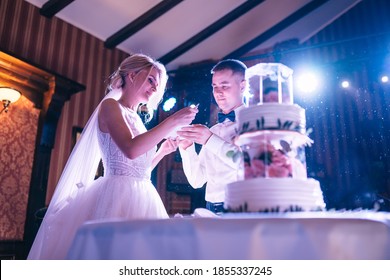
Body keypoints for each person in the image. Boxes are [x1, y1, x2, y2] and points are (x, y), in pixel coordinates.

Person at [28, 54, 198, 259]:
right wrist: (172, 121)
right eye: (151, 79)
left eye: (157, 84)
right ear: (132, 75)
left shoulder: (136, 117)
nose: (154, 88)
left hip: (144, 194)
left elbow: (137, 169)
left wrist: (162, 152)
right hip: (116, 195)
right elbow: (130, 148)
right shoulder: (111, 106)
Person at [177, 59, 247, 213]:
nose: (218, 92)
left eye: (224, 86)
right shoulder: (213, 130)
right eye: (215, 86)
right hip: (211, 210)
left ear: (242, 86)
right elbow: (197, 180)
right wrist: (187, 148)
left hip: (241, 208)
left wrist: (209, 140)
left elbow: (247, 164)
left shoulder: (254, 123)